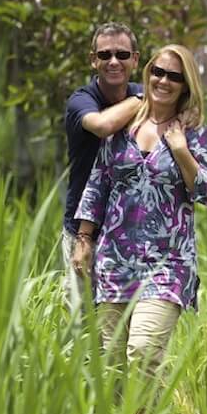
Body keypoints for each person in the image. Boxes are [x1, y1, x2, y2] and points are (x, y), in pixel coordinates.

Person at [73, 44, 207, 377]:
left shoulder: (194, 134)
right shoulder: (122, 129)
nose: (163, 81)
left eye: (174, 76)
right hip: (114, 261)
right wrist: (84, 239)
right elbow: (97, 184)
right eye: (158, 72)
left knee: (143, 355)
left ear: (185, 85)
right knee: (109, 366)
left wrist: (182, 152)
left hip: (167, 263)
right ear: (147, 73)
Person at [63, 22, 144, 306]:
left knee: (126, 331)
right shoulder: (81, 101)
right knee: (83, 327)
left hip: (133, 232)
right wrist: (144, 101)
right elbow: (102, 126)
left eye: (122, 55)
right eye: (105, 54)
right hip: (86, 234)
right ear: (93, 59)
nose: (113, 61)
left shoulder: (145, 92)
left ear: (135, 59)